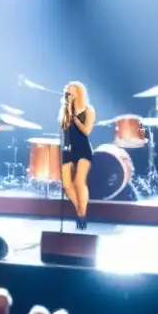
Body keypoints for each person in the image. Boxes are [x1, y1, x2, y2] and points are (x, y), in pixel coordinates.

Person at [60, 82, 96, 230]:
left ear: (79, 93)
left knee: (79, 182)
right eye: (67, 92)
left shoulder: (89, 110)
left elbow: (87, 131)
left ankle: (82, 215)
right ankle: (80, 212)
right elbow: (63, 127)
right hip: (68, 149)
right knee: (67, 185)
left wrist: (75, 118)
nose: (69, 95)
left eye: (72, 92)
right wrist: (68, 109)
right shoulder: (66, 109)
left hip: (83, 149)